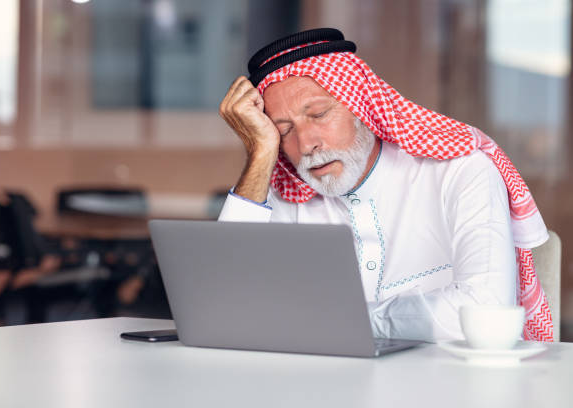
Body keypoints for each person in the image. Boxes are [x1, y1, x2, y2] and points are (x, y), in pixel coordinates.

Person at [217, 28, 553, 342]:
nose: (307, 144)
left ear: (362, 105)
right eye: (284, 130)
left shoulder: (460, 172)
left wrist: (344, 320)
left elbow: (485, 314)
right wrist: (261, 152)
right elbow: (225, 307)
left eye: (318, 114)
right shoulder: (287, 191)